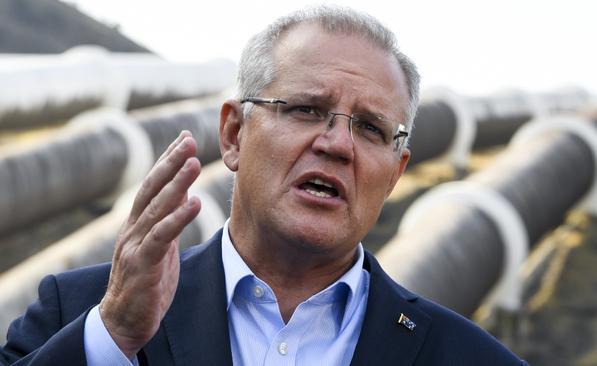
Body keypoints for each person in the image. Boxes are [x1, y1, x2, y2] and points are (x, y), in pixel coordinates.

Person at [1, 5, 527, 366]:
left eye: (370, 128)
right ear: (233, 134)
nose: (338, 144)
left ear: (395, 173)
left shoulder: (471, 357)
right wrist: (111, 342)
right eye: (306, 109)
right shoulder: (80, 313)